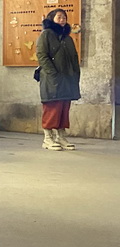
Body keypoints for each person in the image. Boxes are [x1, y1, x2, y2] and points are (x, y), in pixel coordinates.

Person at [36, 8, 80, 150]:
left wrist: (75, 74)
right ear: (52, 18)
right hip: (52, 78)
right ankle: (47, 138)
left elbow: (73, 58)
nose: (62, 19)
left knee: (64, 108)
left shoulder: (67, 38)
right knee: (52, 107)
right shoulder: (46, 34)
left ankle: (60, 137)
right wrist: (52, 73)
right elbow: (42, 55)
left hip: (68, 78)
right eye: (59, 17)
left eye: (64, 17)